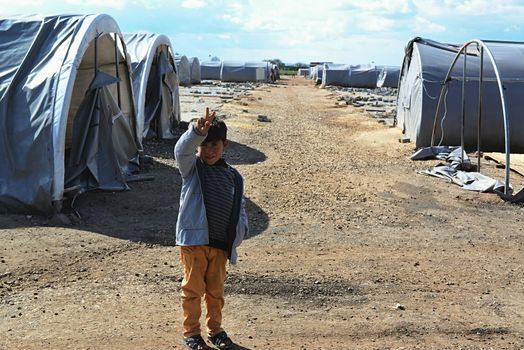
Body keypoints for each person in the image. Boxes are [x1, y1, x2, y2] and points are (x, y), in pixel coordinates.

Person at [174, 107, 249, 350]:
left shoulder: (233, 176)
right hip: (194, 242)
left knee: (215, 292)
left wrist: (240, 233)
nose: (208, 150)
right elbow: (181, 150)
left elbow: (240, 207)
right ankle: (192, 334)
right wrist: (197, 131)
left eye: (214, 144)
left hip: (220, 245)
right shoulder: (193, 169)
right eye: (204, 145)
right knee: (193, 290)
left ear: (224, 145)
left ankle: (215, 330)